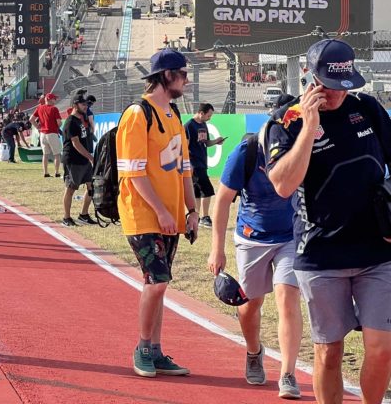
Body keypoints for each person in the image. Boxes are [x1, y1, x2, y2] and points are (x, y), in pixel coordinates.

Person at [267, 39, 391, 404]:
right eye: (329, 85)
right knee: (329, 352)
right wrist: (309, 127)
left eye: (344, 84)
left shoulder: (366, 108)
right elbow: (284, 185)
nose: (337, 93)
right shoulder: (284, 122)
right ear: (309, 75)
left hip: (377, 250)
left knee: (382, 348)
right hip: (320, 254)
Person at [116, 48, 196, 378]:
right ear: (166, 76)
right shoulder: (138, 114)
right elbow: (134, 174)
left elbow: (184, 168)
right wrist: (161, 211)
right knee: (157, 281)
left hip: (171, 215)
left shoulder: (174, 115)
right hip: (143, 213)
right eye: (182, 74)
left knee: (160, 283)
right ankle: (143, 348)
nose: (186, 80)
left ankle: (157, 350)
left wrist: (192, 211)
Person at [208, 132, 302, 398]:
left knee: (288, 298)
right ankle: (253, 352)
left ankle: (288, 373)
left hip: (291, 237)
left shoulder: (300, 146)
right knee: (250, 304)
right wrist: (217, 249)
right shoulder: (246, 152)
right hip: (252, 237)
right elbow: (223, 199)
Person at [184, 103, 224, 227]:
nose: (209, 118)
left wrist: (216, 141)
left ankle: (197, 216)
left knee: (197, 192)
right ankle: (205, 217)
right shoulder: (189, 126)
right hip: (194, 163)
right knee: (207, 190)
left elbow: (206, 142)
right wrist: (188, 163)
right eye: (208, 115)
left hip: (202, 162)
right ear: (201, 113)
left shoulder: (203, 124)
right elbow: (184, 146)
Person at [61, 95, 95, 227]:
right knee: (71, 189)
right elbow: (75, 143)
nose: (86, 106)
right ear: (75, 105)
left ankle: (84, 214)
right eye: (83, 104)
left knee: (91, 186)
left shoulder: (81, 120)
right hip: (73, 159)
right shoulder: (70, 121)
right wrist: (90, 157)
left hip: (84, 159)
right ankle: (66, 217)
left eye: (86, 104)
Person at [32, 93, 63, 178]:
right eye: (54, 99)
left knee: (45, 154)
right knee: (57, 154)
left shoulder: (39, 108)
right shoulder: (54, 109)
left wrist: (38, 127)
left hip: (42, 134)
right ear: (49, 99)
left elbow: (31, 119)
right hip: (52, 133)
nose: (55, 101)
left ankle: (45, 172)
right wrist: (58, 127)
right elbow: (59, 122)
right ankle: (57, 172)